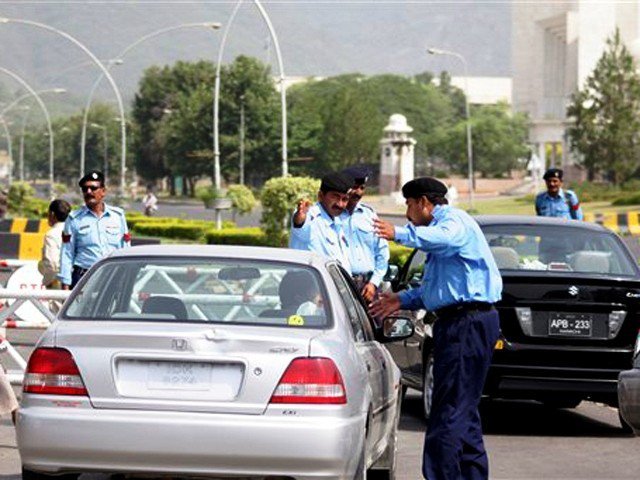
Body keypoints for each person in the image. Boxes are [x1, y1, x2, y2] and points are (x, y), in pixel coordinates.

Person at [369, 177, 502, 480]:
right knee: (463, 411)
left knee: (448, 411)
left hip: (466, 322)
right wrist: (400, 299)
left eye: (409, 205)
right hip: (461, 321)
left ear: (424, 203)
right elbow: (435, 290)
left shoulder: (454, 222)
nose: (407, 213)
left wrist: (399, 234)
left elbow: (445, 238)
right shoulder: (441, 235)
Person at [59, 171, 130, 290]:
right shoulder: (74, 219)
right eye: (85, 189)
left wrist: (127, 277)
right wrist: (65, 284)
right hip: (83, 277)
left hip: (113, 277)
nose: (89, 192)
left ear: (103, 191)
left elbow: (125, 248)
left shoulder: (118, 216)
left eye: (93, 188)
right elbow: (67, 253)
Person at [340, 165, 389, 302]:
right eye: (355, 187)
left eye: (362, 188)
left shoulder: (369, 215)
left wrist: (374, 283)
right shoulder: (332, 216)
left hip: (368, 287)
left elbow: (382, 251)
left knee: (377, 323)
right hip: (340, 284)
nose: (358, 193)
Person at [289, 171, 352, 273]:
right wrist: (300, 216)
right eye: (335, 197)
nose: (340, 204)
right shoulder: (312, 216)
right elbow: (300, 223)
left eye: (344, 199)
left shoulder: (337, 222)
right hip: (307, 283)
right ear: (320, 196)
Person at [38, 199, 71, 289]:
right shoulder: (76, 231)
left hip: (59, 285)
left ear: (52, 214)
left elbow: (52, 265)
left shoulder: (51, 235)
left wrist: (47, 282)